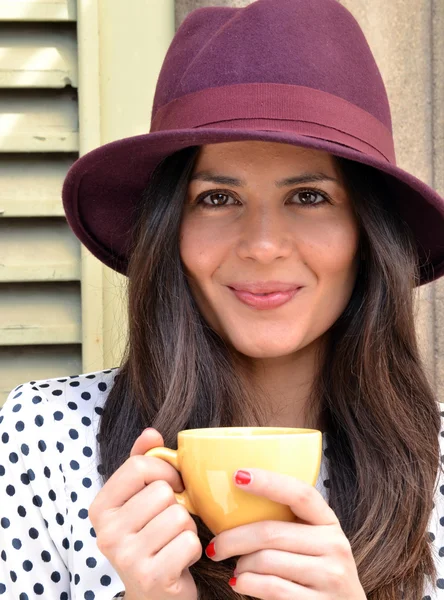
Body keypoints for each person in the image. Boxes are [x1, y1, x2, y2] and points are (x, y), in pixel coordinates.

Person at [1, 0, 444, 598]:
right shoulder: (46, 440)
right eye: (217, 199)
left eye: (310, 197)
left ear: (369, 235)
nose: (262, 246)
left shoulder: (437, 465)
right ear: (169, 232)